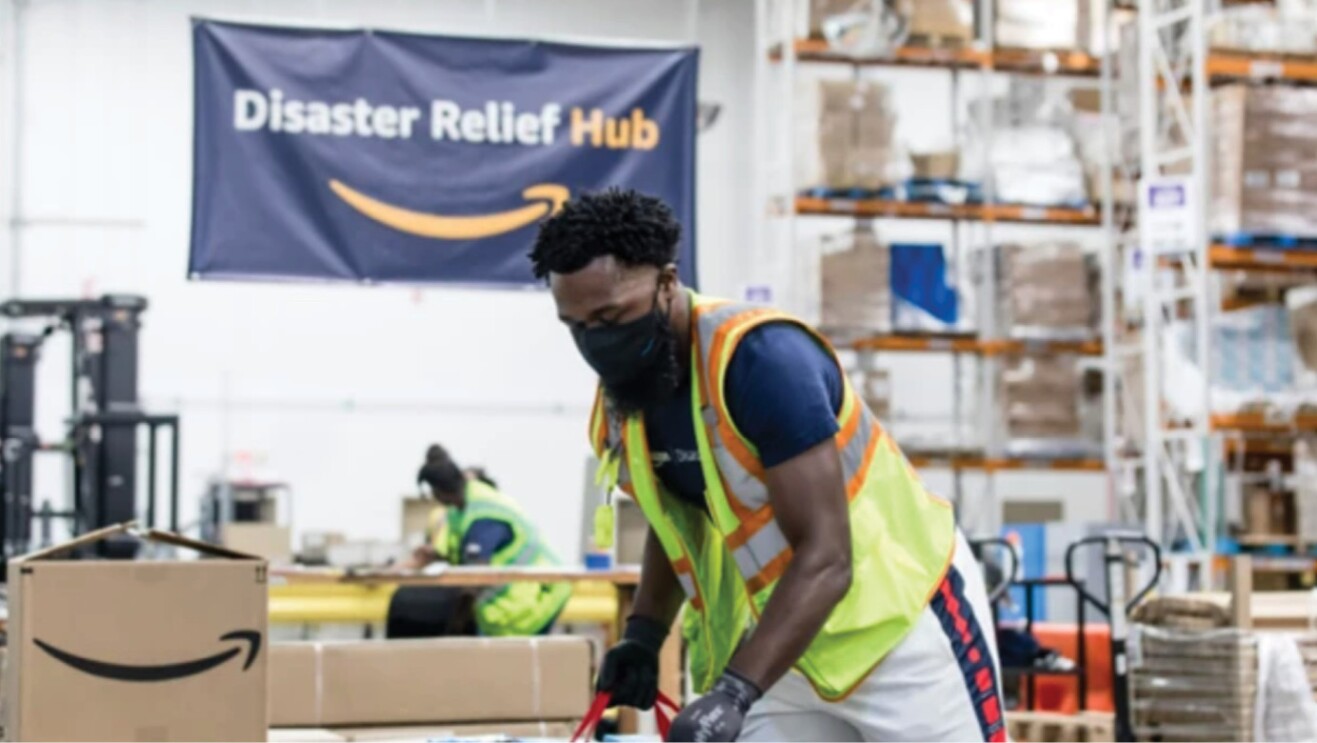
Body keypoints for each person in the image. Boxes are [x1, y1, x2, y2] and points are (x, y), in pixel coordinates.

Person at [530, 189, 1005, 742]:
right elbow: (681, 520)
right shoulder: (627, 397)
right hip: (782, 642)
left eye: (612, 317)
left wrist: (734, 691)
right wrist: (644, 633)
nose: (597, 343)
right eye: (577, 326)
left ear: (666, 283)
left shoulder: (762, 362)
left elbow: (828, 557)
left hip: (899, 629)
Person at [411, 445, 571, 636]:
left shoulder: (483, 516)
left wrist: (455, 626)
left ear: (438, 492)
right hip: (513, 598)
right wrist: (437, 556)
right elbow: (463, 558)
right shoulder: (461, 507)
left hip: (536, 594)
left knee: (511, 659)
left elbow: (475, 577)